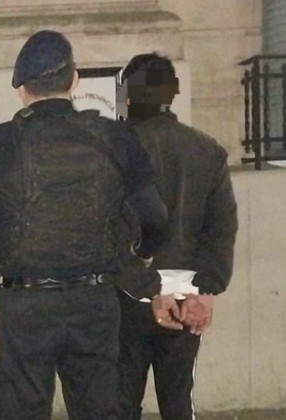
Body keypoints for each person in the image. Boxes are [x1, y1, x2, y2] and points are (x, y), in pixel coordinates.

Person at [0, 30, 172, 420]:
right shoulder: (115, 137)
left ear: (21, 89)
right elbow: (155, 218)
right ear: (74, 80)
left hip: (24, 304)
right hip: (95, 301)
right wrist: (140, 256)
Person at [116, 53, 238, 420]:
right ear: (172, 94)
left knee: (120, 402)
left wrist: (147, 286)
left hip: (125, 293)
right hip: (187, 295)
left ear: (127, 96)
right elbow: (221, 227)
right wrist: (206, 290)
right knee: (178, 401)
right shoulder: (206, 150)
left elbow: (108, 228)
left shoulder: (114, 149)